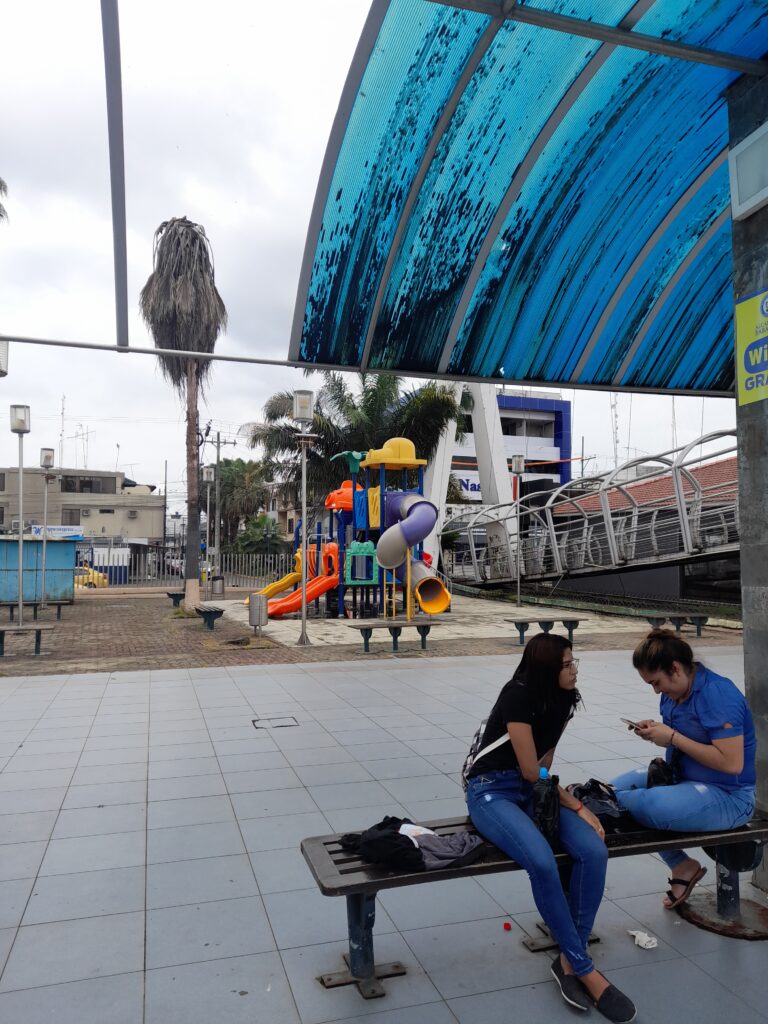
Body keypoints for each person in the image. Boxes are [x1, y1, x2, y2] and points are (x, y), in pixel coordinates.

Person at [465, 633, 636, 1023]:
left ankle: (567, 962)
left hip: (533, 791)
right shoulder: (518, 695)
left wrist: (561, 801)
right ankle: (586, 969)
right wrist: (574, 803)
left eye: (575, 663)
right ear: (546, 668)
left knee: (593, 849)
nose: (574, 671)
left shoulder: (564, 700)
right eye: (567, 664)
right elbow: (529, 768)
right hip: (491, 791)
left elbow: (544, 764)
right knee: (541, 862)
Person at [612, 629, 756, 909]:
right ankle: (682, 866)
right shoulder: (674, 694)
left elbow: (731, 764)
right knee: (615, 787)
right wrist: (655, 730)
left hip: (729, 796)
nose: (656, 690)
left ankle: (600, 798)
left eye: (657, 682)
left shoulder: (717, 694)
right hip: (682, 779)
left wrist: (673, 738)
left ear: (675, 668)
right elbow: (684, 737)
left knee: (644, 804)